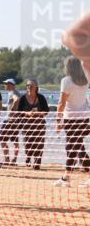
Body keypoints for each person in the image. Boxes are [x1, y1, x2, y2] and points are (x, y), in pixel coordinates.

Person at [55, 55, 90, 187]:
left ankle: (66, 178)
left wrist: (58, 121)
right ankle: (66, 177)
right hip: (84, 117)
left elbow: (61, 103)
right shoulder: (85, 79)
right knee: (75, 147)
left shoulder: (66, 81)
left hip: (71, 119)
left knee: (74, 147)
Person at [16, 79, 49, 169]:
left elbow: (46, 111)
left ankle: (37, 162)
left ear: (36, 88)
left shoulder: (41, 97)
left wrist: (37, 113)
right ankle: (28, 157)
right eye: (27, 85)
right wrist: (27, 113)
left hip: (39, 125)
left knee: (39, 143)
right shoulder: (23, 98)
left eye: (31, 86)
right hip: (27, 124)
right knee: (28, 143)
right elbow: (19, 112)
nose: (29, 87)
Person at [0, 79, 23, 165]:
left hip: (10, 120)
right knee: (15, 140)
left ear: (12, 85)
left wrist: (12, 109)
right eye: (5, 84)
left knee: (2, 139)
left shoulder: (13, 93)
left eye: (6, 84)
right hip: (17, 121)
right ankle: (14, 160)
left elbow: (16, 100)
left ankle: (7, 159)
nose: (5, 85)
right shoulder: (17, 92)